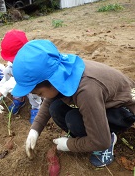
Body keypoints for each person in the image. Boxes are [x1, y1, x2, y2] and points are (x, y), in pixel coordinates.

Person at [11, 39, 135, 167]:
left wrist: (69, 145)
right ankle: (96, 133)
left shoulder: (87, 91)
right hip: (103, 103)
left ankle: (109, 139)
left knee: (74, 120)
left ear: (52, 81)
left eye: (40, 94)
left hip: (124, 110)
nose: (41, 97)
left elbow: (100, 141)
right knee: (55, 108)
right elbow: (49, 101)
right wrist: (35, 130)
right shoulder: (62, 72)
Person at [0, 29, 42, 124]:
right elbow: (6, 80)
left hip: (37, 84)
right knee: (8, 71)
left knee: (33, 91)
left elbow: (18, 79)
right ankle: (19, 98)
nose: (13, 62)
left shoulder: (32, 62)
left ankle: (36, 108)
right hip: (21, 81)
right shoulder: (13, 64)